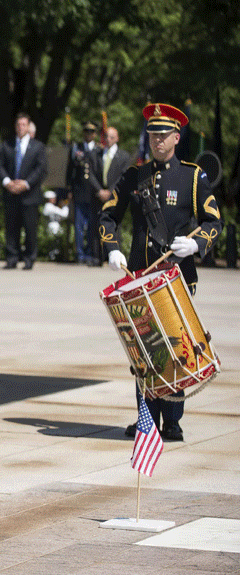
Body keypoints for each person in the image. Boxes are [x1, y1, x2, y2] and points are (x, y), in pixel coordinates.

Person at [100, 103, 222, 442]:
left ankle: (172, 421)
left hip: (178, 277)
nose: (157, 140)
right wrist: (112, 247)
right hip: (140, 277)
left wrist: (195, 245)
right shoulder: (134, 175)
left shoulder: (192, 176)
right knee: (144, 349)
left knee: (177, 348)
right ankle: (146, 419)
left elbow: (214, 222)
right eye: (152, 134)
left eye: (163, 135)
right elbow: (108, 214)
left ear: (176, 137)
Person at [0, 112, 47, 269]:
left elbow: (41, 170)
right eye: (18, 125)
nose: (20, 128)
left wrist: (25, 183)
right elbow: (0, 166)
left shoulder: (38, 146)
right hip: (11, 193)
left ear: (28, 126)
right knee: (11, 228)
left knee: (30, 228)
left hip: (29, 194)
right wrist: (7, 182)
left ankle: (29, 258)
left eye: (23, 125)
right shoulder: (8, 145)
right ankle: (12, 258)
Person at [67, 121, 100, 265]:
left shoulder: (99, 150)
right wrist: (69, 189)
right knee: (79, 226)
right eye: (86, 131)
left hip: (93, 193)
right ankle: (80, 254)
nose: (88, 134)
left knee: (92, 225)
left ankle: (91, 252)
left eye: (91, 132)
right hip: (79, 191)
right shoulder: (76, 148)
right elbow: (70, 171)